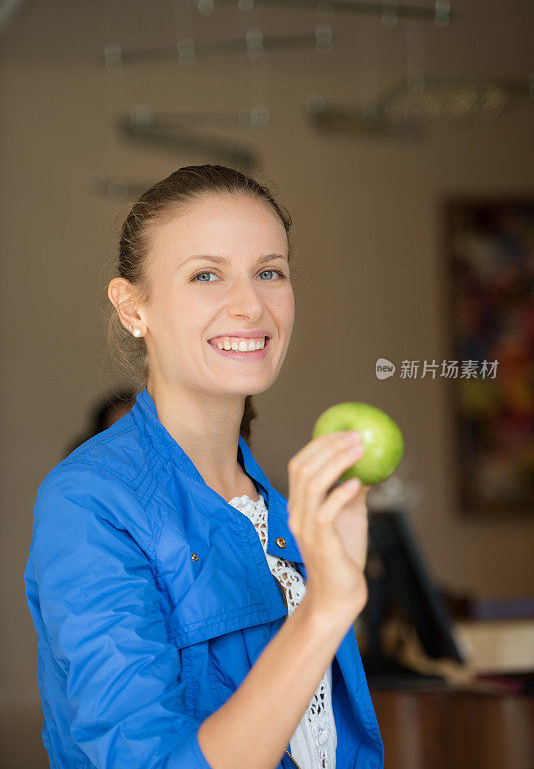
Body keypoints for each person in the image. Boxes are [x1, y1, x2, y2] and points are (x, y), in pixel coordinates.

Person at [24, 164, 384, 769]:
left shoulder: (281, 512)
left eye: (269, 272)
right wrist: (326, 606)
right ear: (133, 306)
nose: (250, 304)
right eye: (206, 275)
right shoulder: (88, 503)